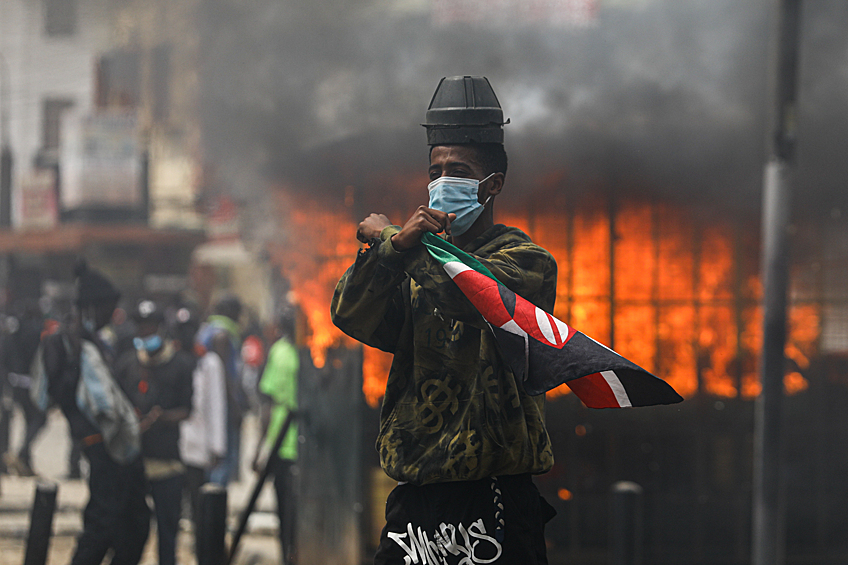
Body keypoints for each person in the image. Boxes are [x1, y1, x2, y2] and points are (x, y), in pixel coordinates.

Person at [331, 76, 557, 564]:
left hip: (492, 499)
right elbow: (351, 314)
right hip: (417, 498)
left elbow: (471, 296)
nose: (442, 182)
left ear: (492, 185)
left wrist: (395, 240)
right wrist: (388, 252)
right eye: (436, 171)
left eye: (458, 171)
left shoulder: (527, 262)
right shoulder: (412, 264)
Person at [37, 261, 149, 565]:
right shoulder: (66, 343)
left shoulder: (94, 341)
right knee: (103, 524)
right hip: (100, 444)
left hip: (118, 445)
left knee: (135, 522)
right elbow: (60, 395)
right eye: (106, 309)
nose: (109, 316)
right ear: (90, 307)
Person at [114, 300, 194, 565]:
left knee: (167, 531)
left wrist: (163, 418)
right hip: (133, 461)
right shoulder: (127, 363)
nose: (145, 333)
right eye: (141, 328)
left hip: (167, 462)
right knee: (130, 529)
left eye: (150, 328)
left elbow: (187, 409)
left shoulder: (181, 364)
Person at [175, 306, 227, 547]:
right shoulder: (171, 360)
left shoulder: (209, 363)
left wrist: (217, 446)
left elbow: (216, 405)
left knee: (199, 508)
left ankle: (201, 553)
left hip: (198, 447)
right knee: (173, 509)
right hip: (173, 448)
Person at [252, 313, 299, 564]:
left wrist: (260, 447)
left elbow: (267, 404)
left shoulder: (279, 352)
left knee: (285, 508)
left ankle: (287, 555)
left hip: (283, 442)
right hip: (302, 442)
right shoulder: (316, 350)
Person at [197, 295, 246, 484]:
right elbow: (223, 375)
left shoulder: (205, 331)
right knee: (223, 456)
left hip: (206, 403)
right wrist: (234, 406)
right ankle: (216, 496)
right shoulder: (222, 335)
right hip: (222, 405)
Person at [1, 300, 47, 476]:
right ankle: (22, 454)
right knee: (39, 418)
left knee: (26, 419)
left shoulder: (14, 331)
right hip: (28, 382)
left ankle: (24, 460)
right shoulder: (34, 332)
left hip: (13, 381)